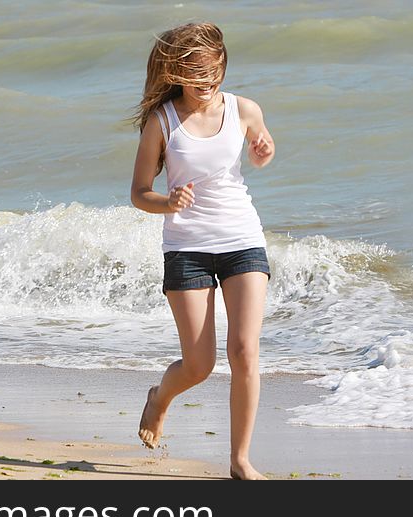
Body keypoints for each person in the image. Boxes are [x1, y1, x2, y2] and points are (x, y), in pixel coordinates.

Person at [130, 22, 275, 480]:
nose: (208, 81)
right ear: (176, 71)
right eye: (197, 74)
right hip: (187, 248)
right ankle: (160, 397)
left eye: (215, 71)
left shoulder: (245, 108)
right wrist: (167, 202)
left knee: (245, 351)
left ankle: (239, 460)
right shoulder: (162, 121)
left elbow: (259, 152)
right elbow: (138, 192)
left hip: (243, 239)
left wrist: (263, 149)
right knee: (199, 365)